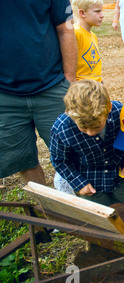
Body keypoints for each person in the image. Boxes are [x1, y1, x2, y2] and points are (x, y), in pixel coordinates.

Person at [0, 1, 77, 185]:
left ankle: (84, 208)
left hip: (52, 86)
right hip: (5, 95)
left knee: (74, 152)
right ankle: (46, 208)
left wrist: (70, 80)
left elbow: (65, 29)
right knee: (23, 161)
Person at [50, 80, 124, 206]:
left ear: (109, 108)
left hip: (116, 175)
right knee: (100, 213)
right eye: (83, 128)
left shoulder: (118, 112)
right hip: (89, 180)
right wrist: (79, 183)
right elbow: (59, 160)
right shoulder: (62, 128)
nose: (90, 133)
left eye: (96, 127)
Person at [71, 0, 104, 82]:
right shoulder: (75, 33)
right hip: (82, 86)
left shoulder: (93, 35)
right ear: (82, 13)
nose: (102, 15)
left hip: (96, 83)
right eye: (97, 11)